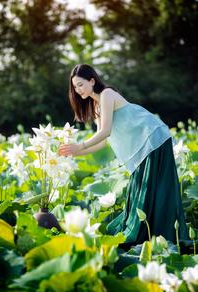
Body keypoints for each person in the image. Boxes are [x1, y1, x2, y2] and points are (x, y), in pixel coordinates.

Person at [59, 63, 188, 246]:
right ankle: (151, 235)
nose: (78, 90)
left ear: (92, 81)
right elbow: (103, 142)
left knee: (157, 190)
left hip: (153, 139)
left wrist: (79, 145)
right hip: (142, 146)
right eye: (75, 87)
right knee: (144, 188)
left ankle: (164, 235)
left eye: (80, 84)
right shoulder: (97, 107)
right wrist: (75, 153)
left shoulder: (107, 94)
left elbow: (105, 131)